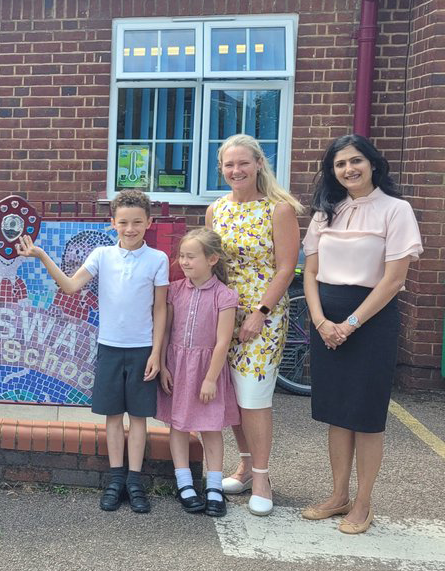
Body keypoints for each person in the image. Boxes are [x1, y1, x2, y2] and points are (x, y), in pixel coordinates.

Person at [17, 189, 169, 514]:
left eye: (137, 222)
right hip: (110, 348)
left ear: (149, 223)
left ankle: (135, 481)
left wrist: (158, 353)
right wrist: (42, 256)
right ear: (113, 222)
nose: (130, 229)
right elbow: (71, 286)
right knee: (114, 417)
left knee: (139, 418)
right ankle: (116, 479)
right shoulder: (102, 255)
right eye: (124, 222)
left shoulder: (158, 259)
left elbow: (160, 310)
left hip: (143, 349)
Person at [300, 135, 422, 534]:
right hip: (327, 321)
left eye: (356, 161)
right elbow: (312, 273)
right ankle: (338, 495)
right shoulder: (324, 214)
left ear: (372, 163)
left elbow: (393, 280)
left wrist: (350, 324)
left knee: (367, 417)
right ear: (331, 171)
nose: (348, 169)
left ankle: (363, 503)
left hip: (371, 321)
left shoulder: (396, 210)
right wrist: (320, 321)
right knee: (338, 413)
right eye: (340, 164)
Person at [206, 134, 301, 516]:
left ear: (259, 164)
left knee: (254, 398)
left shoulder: (279, 210)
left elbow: (286, 267)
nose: (236, 171)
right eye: (229, 165)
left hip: (263, 317)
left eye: (243, 163)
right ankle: (244, 467)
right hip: (224, 314)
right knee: (232, 396)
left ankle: (262, 477)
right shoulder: (216, 210)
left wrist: (261, 312)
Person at [157, 228, 239, 518]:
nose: (184, 262)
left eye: (191, 257)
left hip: (207, 370)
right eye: (182, 256)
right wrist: (164, 364)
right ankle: (184, 484)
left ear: (212, 258)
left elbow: (222, 342)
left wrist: (210, 379)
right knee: (178, 425)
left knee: (210, 427)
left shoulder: (225, 296)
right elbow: (166, 330)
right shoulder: (175, 290)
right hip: (178, 367)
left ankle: (214, 486)